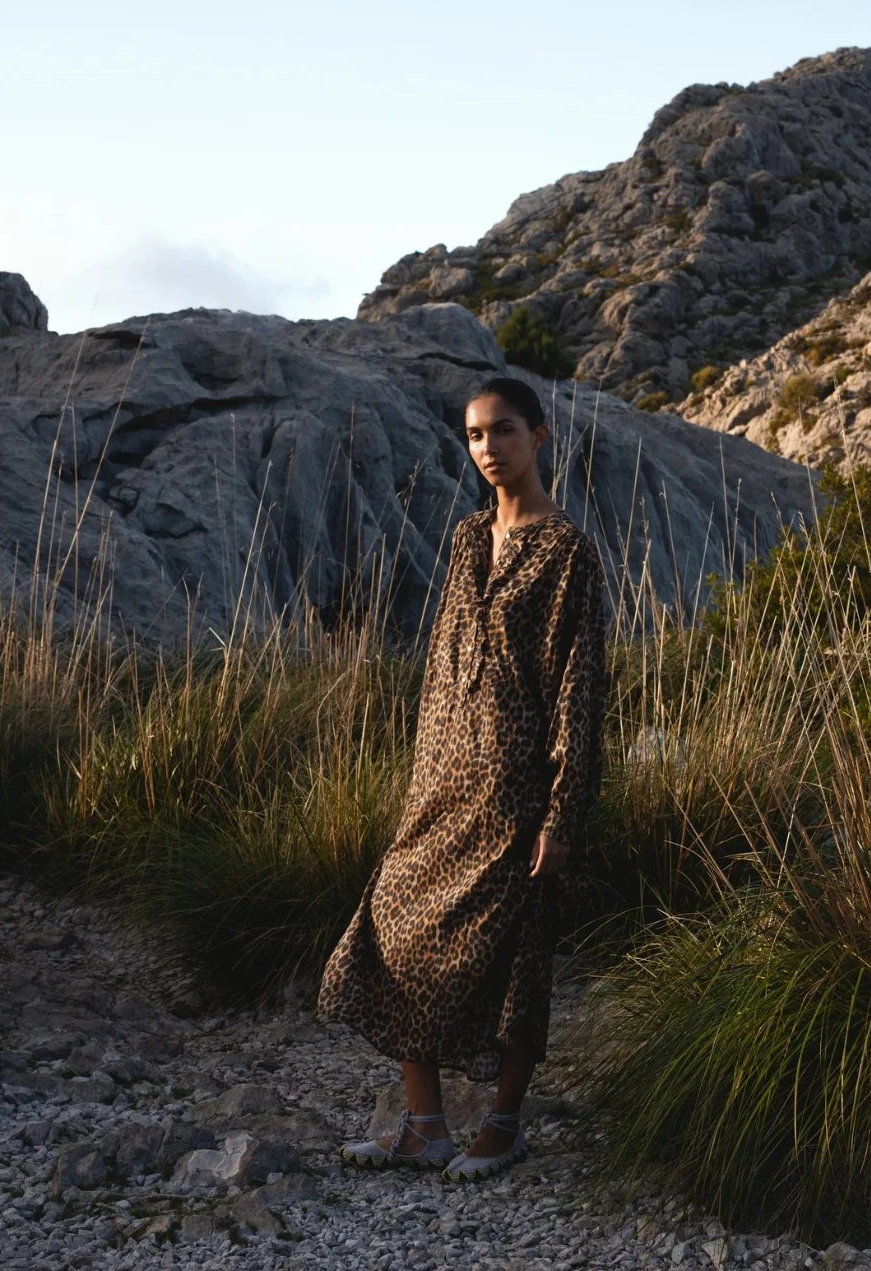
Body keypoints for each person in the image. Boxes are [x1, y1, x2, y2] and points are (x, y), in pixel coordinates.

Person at [317, 375, 607, 1182]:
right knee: (394, 926)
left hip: (518, 792)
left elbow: (579, 691)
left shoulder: (568, 552)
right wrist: (421, 777)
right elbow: (443, 666)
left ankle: (504, 1126)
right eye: (475, 435)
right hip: (442, 786)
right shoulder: (467, 538)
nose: (488, 448)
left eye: (503, 430)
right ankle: (425, 1128)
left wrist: (561, 813)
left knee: (517, 958)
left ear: (538, 437)